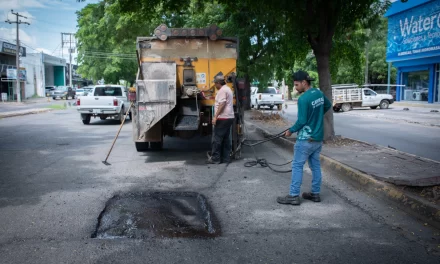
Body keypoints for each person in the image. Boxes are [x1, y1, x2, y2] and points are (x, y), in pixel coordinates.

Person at [277, 70, 332, 205]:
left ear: (304, 83)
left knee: (297, 166)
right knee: (315, 166)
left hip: (305, 140)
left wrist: (291, 130)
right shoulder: (318, 93)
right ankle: (315, 193)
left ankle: (293, 195)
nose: (295, 88)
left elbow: (301, 121)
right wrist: (316, 116)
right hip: (317, 139)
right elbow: (328, 105)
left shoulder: (303, 99)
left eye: (296, 85)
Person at [206, 75, 235, 164]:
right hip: (229, 117)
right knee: (226, 138)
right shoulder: (228, 89)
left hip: (223, 117)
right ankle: (226, 158)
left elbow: (222, 104)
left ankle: (215, 159)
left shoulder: (222, 91)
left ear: (218, 83)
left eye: (215, 83)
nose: (215, 85)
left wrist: (215, 117)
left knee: (217, 138)